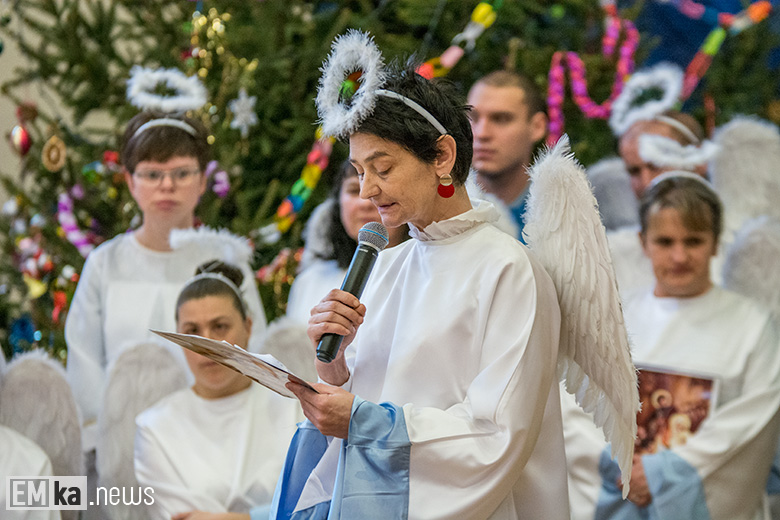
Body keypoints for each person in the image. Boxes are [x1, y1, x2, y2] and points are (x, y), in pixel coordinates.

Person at [271, 33, 568, 520]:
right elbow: (366, 397)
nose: (367, 190)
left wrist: (364, 422)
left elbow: (498, 435)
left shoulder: (509, 271)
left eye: (382, 167)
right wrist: (334, 366)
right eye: (358, 171)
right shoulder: (383, 265)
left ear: (442, 157)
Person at [564, 173, 780, 520]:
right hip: (617, 497)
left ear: (714, 243)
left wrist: (663, 475)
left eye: (693, 241)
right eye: (665, 241)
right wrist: (617, 465)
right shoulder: (615, 320)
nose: (679, 256)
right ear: (643, 241)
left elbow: (754, 421)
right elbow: (574, 405)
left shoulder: (752, 326)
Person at [65, 111, 267, 454]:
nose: (167, 185)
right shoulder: (105, 264)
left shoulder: (225, 259)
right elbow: (84, 361)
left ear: (202, 181)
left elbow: (253, 349)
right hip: (121, 442)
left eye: (182, 173)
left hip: (211, 438)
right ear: (130, 181)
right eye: (152, 174)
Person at [134, 261, 300, 520]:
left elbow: (317, 507)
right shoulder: (155, 427)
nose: (207, 344)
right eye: (192, 331)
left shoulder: (293, 410)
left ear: (248, 326)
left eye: (220, 326)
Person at [286, 159, 408, 325]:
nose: (365, 203)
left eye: (379, 190)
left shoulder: (420, 273)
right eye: (354, 190)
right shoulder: (310, 281)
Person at [610, 111, 713, 294]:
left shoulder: (740, 249)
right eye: (634, 171)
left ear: (699, 162)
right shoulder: (611, 256)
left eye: (656, 165)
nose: (647, 182)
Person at [467, 70, 548, 240]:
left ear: (537, 127)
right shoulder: (438, 211)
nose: (482, 133)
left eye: (501, 119)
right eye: (473, 118)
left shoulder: (561, 218)